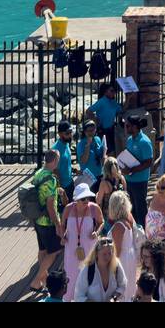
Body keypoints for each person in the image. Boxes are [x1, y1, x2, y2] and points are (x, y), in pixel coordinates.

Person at [28, 149, 65, 291]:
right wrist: (57, 224)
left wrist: (57, 191)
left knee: (42, 250)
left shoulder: (38, 173)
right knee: (55, 251)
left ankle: (43, 280)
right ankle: (37, 280)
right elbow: (50, 205)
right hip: (47, 222)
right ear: (55, 160)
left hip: (37, 219)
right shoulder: (51, 179)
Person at [60, 180, 103, 299]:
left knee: (89, 276)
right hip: (71, 250)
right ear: (76, 200)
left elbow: (101, 222)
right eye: (83, 199)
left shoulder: (94, 208)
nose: (86, 201)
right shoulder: (68, 209)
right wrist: (62, 236)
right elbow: (61, 225)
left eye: (87, 198)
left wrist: (97, 232)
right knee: (70, 276)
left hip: (89, 249)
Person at [123, 114, 155, 227]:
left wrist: (131, 170)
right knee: (131, 208)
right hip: (129, 180)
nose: (125, 128)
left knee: (140, 208)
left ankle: (145, 233)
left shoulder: (144, 142)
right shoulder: (129, 140)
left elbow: (148, 162)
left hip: (140, 181)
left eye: (128, 126)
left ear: (135, 127)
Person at [73, 236, 126, 302]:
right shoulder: (87, 270)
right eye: (104, 254)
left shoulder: (116, 266)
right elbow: (78, 296)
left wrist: (113, 298)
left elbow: (122, 285)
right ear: (96, 254)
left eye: (110, 253)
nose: (107, 257)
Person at [108, 190, 139, 300]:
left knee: (122, 290)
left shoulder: (118, 226)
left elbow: (117, 252)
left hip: (122, 260)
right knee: (129, 288)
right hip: (130, 257)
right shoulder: (129, 217)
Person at [144, 173, 165, 245]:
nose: (159, 189)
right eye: (157, 187)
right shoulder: (155, 196)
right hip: (149, 241)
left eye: (162, 187)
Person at [88, 82, 123, 155]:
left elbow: (121, 110)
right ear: (105, 92)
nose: (114, 93)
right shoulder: (102, 101)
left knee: (112, 151)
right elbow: (89, 111)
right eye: (111, 91)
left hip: (111, 129)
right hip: (103, 130)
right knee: (107, 152)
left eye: (114, 91)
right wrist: (96, 120)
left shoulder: (113, 102)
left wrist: (129, 98)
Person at [76, 118, 106, 186]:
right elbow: (84, 161)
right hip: (88, 178)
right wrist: (88, 146)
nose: (91, 132)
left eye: (93, 130)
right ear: (84, 131)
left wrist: (104, 154)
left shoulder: (97, 139)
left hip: (99, 174)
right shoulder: (81, 144)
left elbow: (101, 155)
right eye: (88, 131)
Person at [52, 119, 76, 199]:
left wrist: (75, 171)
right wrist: (61, 191)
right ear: (60, 134)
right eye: (67, 133)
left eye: (70, 132)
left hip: (70, 182)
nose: (70, 135)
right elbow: (55, 171)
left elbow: (66, 164)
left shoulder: (66, 144)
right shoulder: (56, 149)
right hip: (63, 187)